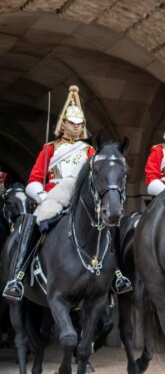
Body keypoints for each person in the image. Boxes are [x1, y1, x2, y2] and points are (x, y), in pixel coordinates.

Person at [3, 86, 95, 301]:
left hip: (80, 200)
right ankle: (18, 275)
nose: (76, 127)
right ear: (63, 124)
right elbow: (34, 180)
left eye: (80, 124)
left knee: (104, 227)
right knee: (33, 224)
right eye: (72, 123)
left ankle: (115, 277)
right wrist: (43, 197)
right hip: (53, 199)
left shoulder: (89, 151)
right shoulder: (50, 148)